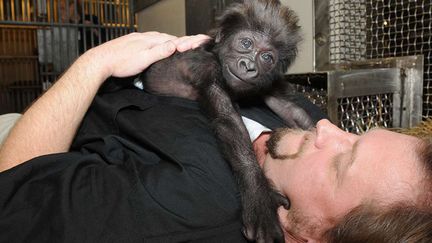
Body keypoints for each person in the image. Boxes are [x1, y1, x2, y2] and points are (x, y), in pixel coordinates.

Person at [0, 32, 430, 242]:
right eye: (354, 135)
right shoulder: (305, 135)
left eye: (342, 162)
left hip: (37, 131)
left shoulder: (193, 205)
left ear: (312, 236)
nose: (326, 129)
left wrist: (96, 63)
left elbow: (14, 194)